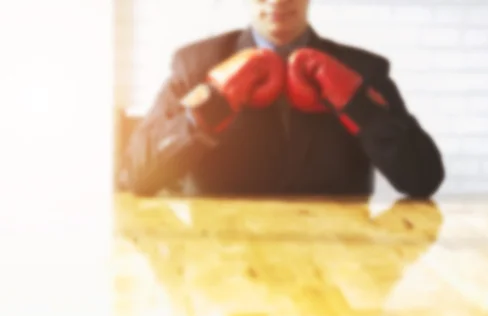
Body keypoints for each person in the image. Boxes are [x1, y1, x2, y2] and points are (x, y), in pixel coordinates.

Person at [117, 0, 445, 199]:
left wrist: (359, 105)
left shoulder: (362, 70)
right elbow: (136, 175)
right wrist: (209, 106)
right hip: (220, 267)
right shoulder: (197, 63)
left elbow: (422, 179)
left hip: (339, 265)